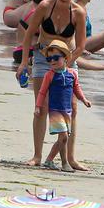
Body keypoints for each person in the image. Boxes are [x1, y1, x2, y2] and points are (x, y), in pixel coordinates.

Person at [17, 0, 88, 168]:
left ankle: (71, 158)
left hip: (67, 59)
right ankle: (37, 156)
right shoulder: (45, 6)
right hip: (42, 57)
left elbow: (81, 45)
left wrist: (65, 64)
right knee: (41, 107)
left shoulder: (78, 13)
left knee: (72, 108)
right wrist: (24, 63)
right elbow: (29, 33)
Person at [34, 40, 91, 171]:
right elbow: (42, 92)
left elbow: (77, 89)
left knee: (63, 138)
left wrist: (84, 100)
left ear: (65, 58)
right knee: (64, 136)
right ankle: (50, 160)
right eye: (49, 59)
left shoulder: (72, 74)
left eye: (55, 58)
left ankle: (63, 163)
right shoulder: (49, 75)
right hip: (55, 110)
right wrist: (38, 106)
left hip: (67, 111)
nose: (52, 61)